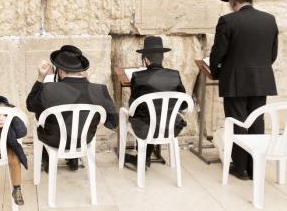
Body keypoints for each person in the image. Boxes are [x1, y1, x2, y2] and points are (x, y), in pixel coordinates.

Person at [209, 0, 278, 180]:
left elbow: (218, 53)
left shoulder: (227, 21)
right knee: (256, 121)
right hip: (261, 80)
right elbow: (272, 55)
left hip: (235, 81)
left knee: (238, 122)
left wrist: (215, 71)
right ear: (250, 0)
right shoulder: (270, 20)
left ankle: (240, 168)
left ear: (232, 2)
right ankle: (255, 167)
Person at [26, 45, 118, 171]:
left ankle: (47, 161)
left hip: (55, 140)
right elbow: (113, 122)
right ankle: (74, 159)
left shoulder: (48, 88)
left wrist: (40, 77)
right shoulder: (99, 90)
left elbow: (30, 105)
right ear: (82, 71)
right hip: (84, 140)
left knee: (41, 117)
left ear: (61, 71)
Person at [125, 36, 187, 168]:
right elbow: (184, 104)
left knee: (143, 117)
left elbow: (133, 107)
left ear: (145, 59)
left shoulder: (138, 77)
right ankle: (145, 157)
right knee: (153, 117)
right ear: (162, 58)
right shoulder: (175, 75)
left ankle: (143, 158)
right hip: (171, 128)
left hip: (145, 129)